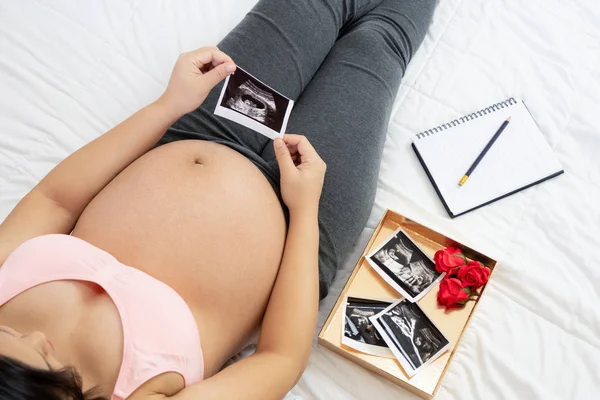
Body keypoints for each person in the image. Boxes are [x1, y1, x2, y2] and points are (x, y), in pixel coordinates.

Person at [0, 0, 436, 399]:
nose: (34, 336)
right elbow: (278, 360)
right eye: (40, 358)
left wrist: (167, 106)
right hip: (304, 209)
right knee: (379, 43)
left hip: (202, 124)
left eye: (12, 336)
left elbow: (53, 200)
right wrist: (304, 212)